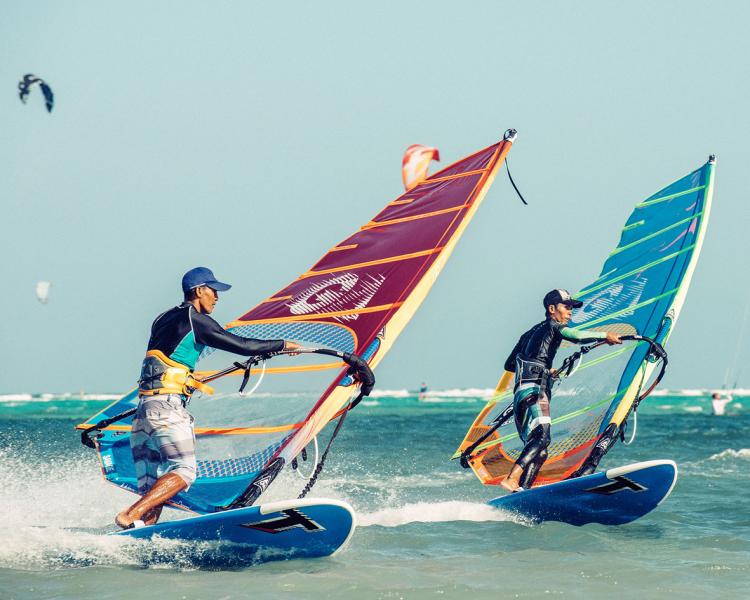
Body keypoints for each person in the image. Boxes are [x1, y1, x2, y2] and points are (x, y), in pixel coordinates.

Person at [115, 267, 301, 529]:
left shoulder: (162, 319)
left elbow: (166, 360)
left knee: (154, 491)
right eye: (213, 291)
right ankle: (128, 515)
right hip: (166, 410)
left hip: (144, 413)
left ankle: (138, 535)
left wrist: (188, 380)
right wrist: (282, 345)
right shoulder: (195, 320)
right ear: (199, 291)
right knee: (183, 471)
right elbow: (242, 345)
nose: (217, 297)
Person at [499, 289, 622, 492]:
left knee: (541, 449)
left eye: (571, 308)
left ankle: (521, 491)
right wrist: (605, 335)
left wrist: (544, 368)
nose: (570, 312)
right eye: (567, 307)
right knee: (542, 438)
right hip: (535, 390)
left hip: (521, 393)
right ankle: (512, 478)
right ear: (552, 309)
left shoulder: (528, 333)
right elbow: (577, 336)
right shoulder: (554, 326)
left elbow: (510, 364)